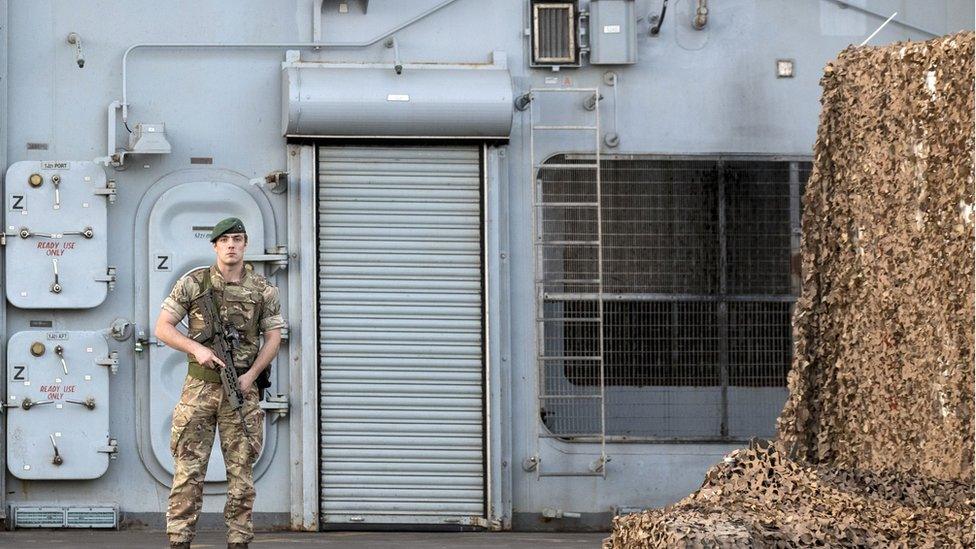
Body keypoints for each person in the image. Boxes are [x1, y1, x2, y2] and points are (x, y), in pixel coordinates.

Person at [155, 217, 285, 549]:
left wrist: (251, 376)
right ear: (215, 245)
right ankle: (179, 541)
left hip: (241, 390)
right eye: (225, 240)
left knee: (242, 475)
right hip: (199, 389)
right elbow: (163, 327)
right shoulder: (193, 284)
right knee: (188, 471)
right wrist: (196, 348)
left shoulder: (262, 289)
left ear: (245, 244)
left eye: (238, 239)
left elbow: (273, 337)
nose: (231, 245)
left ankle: (238, 542)